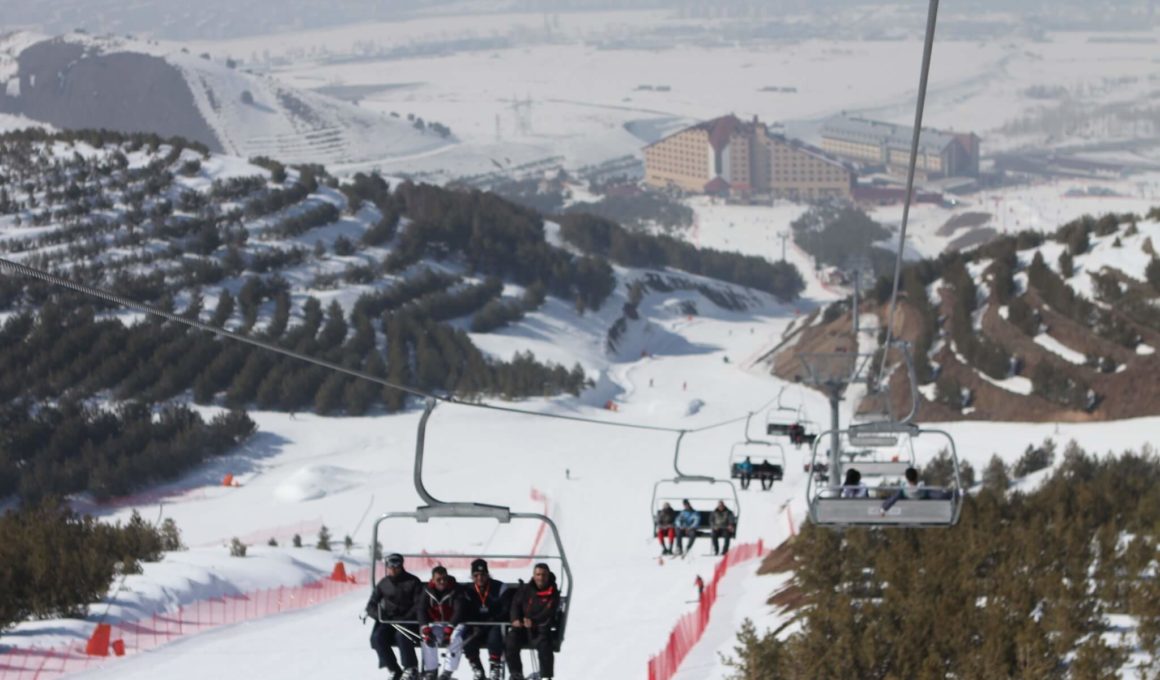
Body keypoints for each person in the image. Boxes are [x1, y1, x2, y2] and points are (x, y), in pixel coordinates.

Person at [367, 553, 423, 680]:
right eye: (390, 566)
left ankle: (411, 668)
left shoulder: (413, 582)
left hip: (409, 621)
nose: (393, 569)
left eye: (396, 566)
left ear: (401, 566)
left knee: (402, 635)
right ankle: (394, 669)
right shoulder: (383, 583)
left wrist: (407, 617)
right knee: (377, 637)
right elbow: (371, 606)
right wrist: (381, 615)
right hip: (389, 620)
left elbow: (419, 604)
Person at [506, 563, 560, 680]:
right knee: (511, 640)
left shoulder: (552, 592)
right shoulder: (526, 589)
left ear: (548, 576)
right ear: (534, 575)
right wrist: (515, 619)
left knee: (545, 646)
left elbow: (548, 611)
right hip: (524, 628)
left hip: (540, 630)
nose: (540, 578)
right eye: (538, 574)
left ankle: (546, 675)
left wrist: (533, 621)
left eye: (543, 575)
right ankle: (516, 673)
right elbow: (516, 603)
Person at [460, 559, 509, 680]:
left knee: (495, 636)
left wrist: (490, 622)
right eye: (476, 575)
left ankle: (495, 667)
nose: (480, 578)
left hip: (494, 624)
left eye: (483, 575)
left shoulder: (499, 587)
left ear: (487, 574)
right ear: (472, 576)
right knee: (466, 637)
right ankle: (477, 669)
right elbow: (463, 610)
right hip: (476, 626)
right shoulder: (468, 590)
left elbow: (505, 610)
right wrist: (474, 624)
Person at [417, 565, 466, 680]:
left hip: (455, 623)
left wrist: (450, 628)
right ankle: (431, 671)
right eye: (439, 579)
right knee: (427, 637)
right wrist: (425, 627)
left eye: (444, 579)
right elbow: (421, 609)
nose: (442, 582)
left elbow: (459, 610)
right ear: (433, 580)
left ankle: (447, 672)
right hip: (437, 623)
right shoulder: (427, 591)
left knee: (455, 638)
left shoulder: (455, 589)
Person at [881, 467, 952, 513]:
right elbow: (940, 495)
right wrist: (951, 494)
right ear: (916, 476)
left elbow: (893, 499)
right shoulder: (923, 490)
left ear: (907, 478)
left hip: (910, 508)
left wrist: (884, 509)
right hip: (924, 504)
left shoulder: (903, 491)